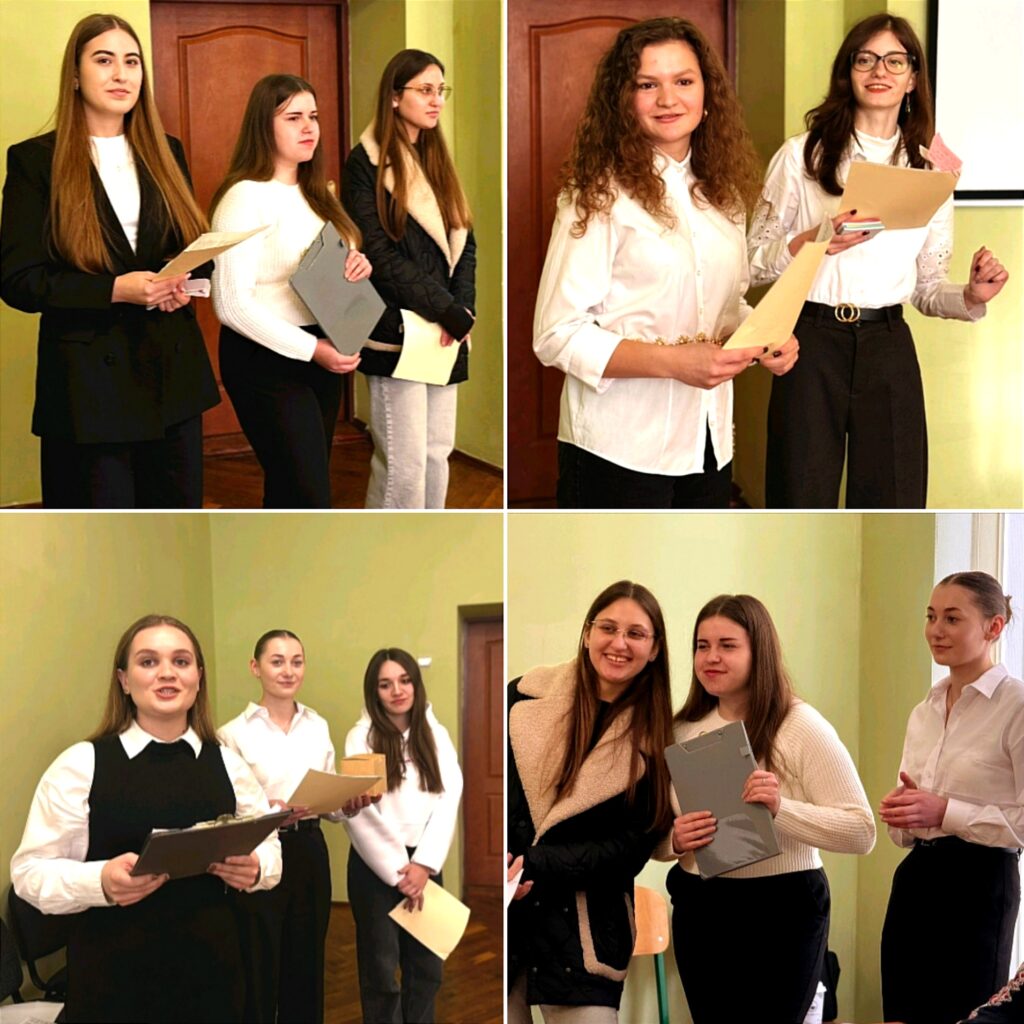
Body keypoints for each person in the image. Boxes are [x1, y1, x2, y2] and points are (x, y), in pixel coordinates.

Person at [532, 17, 799, 509]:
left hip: (708, 442)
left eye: (683, 81)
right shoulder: (595, 195)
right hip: (618, 446)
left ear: (707, 93)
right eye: (647, 85)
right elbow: (556, 334)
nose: (668, 99)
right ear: (622, 99)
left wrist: (767, 336)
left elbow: (729, 304)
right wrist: (675, 363)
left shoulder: (724, 194)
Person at [748, 13, 1009, 509]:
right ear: (847, 72)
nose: (879, 71)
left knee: (895, 496)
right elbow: (750, 264)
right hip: (810, 341)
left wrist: (972, 295)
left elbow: (927, 287)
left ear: (912, 78)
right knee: (799, 496)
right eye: (865, 59)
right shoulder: (800, 156)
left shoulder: (931, 168)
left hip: (888, 345)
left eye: (894, 61)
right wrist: (817, 239)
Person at [10, 615, 282, 1023]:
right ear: (124, 679)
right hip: (113, 985)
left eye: (181, 661)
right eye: (149, 661)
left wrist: (257, 867)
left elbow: (270, 848)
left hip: (214, 979)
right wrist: (100, 881)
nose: (167, 673)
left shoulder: (229, 764)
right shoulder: (81, 765)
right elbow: (29, 875)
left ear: (198, 678)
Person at [0, 13, 219, 508]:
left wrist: (183, 282)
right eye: (104, 60)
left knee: (174, 533)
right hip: (89, 390)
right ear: (75, 76)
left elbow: (193, 249)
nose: (121, 74)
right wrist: (116, 289)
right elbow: (19, 281)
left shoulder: (168, 151)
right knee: (103, 538)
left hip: (173, 379)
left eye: (132, 61)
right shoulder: (34, 161)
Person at [662, 595, 874, 1024]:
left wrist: (780, 809)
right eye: (702, 646)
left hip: (783, 908)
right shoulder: (680, 730)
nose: (711, 657)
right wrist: (673, 841)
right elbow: (655, 835)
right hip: (700, 906)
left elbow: (861, 831)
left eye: (727, 645)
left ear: (759, 652)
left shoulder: (800, 725)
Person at [507, 580, 675, 1023]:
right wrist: (504, 865)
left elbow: (631, 849)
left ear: (655, 648)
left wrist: (533, 863)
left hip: (584, 933)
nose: (619, 643)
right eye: (608, 628)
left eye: (636, 634)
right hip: (510, 918)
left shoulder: (659, 737)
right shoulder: (521, 695)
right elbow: (500, 797)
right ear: (587, 634)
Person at [210, 74, 372, 509]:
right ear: (264, 125)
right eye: (293, 117)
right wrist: (313, 350)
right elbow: (230, 305)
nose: (309, 128)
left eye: (313, 116)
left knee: (295, 491)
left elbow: (326, 268)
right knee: (307, 492)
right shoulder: (243, 198)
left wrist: (357, 264)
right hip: (264, 359)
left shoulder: (319, 194)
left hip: (321, 350)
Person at [880, 572, 1023, 1024]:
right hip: (916, 878)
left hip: (981, 886)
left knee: (966, 1017)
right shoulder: (923, 711)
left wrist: (944, 811)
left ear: (994, 627)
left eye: (952, 618)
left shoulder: (1017, 705)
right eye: (931, 617)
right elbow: (907, 828)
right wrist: (903, 814)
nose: (936, 630)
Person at [341, 49, 476, 509]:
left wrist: (463, 308)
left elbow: (465, 243)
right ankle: (393, 540)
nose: (437, 100)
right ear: (395, 97)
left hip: (446, 328)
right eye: (425, 90)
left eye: (441, 90)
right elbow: (377, 253)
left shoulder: (437, 159)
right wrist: (446, 308)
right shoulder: (364, 163)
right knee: (404, 464)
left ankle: (429, 534)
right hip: (397, 330)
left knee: (437, 454)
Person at [218, 629, 372, 1024]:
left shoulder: (317, 726)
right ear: (255, 668)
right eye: (277, 661)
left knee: (307, 961)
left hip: (309, 850)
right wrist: (268, 811)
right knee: (258, 962)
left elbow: (329, 804)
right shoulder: (232, 734)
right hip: (258, 853)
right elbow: (226, 812)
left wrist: (346, 803)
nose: (288, 670)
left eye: (297, 661)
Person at [343, 647, 463, 1023]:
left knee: (427, 968)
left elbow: (449, 796)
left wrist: (423, 865)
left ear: (416, 684)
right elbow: (360, 811)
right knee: (381, 970)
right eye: (385, 684)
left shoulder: (435, 734)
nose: (397, 691)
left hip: (424, 866)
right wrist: (399, 870)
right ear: (374, 691)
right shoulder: (360, 737)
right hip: (376, 867)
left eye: (404, 680)